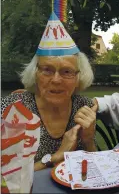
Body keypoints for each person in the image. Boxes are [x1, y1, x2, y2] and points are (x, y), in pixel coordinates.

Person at [1, 12, 97, 171]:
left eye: (67, 72)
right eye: (47, 70)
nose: (56, 80)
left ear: (78, 77)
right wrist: (55, 158)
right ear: (35, 74)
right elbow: (6, 176)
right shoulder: (13, 108)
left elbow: (96, 168)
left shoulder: (84, 107)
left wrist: (88, 140)